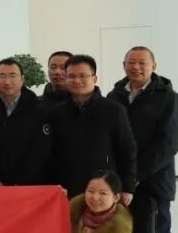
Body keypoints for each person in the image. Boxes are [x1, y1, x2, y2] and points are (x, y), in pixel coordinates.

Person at [106, 46, 178, 233]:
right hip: (124, 184)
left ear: (154, 65)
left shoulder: (169, 98)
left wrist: (136, 175)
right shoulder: (114, 96)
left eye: (142, 62)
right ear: (123, 65)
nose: (136, 67)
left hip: (155, 182)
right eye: (131, 62)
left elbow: (169, 143)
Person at [47, 54, 137, 199]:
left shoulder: (113, 110)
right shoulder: (56, 112)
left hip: (102, 189)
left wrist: (128, 187)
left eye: (82, 76)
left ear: (94, 79)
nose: (77, 80)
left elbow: (127, 151)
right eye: (71, 76)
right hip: (65, 188)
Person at [0, 58, 51, 185]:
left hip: (28, 184)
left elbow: (40, 151)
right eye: (2, 76)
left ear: (22, 79)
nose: (7, 81)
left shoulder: (39, 109)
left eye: (13, 76)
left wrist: (21, 182)